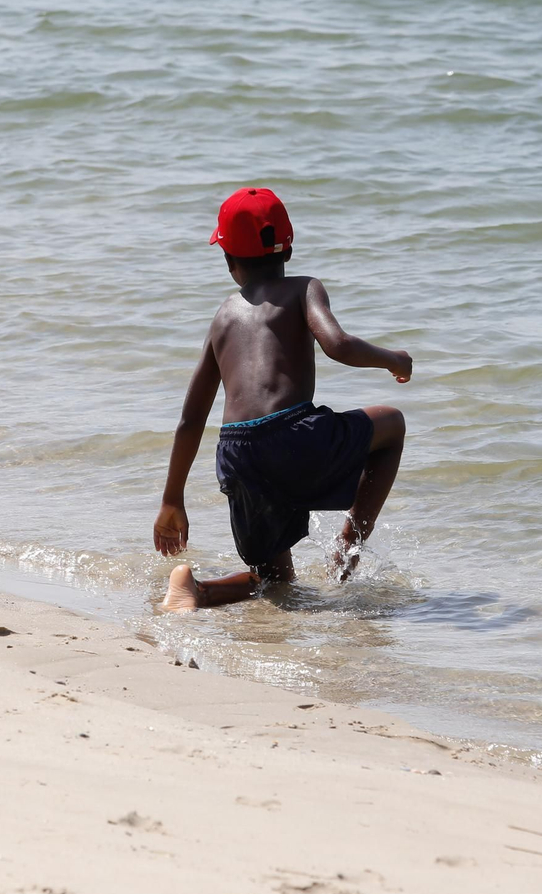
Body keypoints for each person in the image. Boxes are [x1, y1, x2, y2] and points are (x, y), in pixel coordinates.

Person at [153, 187, 412, 611]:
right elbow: (338, 344)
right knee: (392, 425)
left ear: (228, 260)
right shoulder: (304, 288)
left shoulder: (223, 315)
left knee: (274, 582)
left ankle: (196, 591)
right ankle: (349, 545)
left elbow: (191, 417)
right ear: (287, 251)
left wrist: (172, 500)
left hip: (237, 451)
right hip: (291, 434)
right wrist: (393, 359)